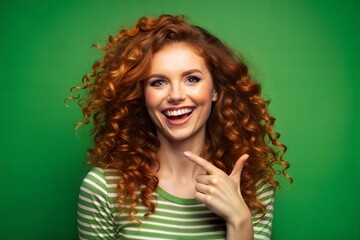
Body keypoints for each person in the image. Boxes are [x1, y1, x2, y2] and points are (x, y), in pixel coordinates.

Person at [70, 14, 291, 240]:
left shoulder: (252, 189)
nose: (176, 95)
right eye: (158, 82)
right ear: (143, 95)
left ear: (215, 90)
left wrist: (239, 220)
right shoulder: (104, 189)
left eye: (192, 79)